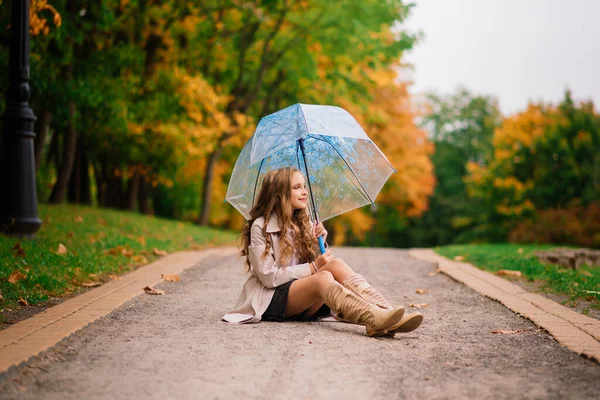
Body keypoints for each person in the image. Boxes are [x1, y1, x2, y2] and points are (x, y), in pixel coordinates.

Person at [222, 167, 423, 337]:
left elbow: (320, 262)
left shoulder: (302, 222)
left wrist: (319, 241)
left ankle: (385, 312)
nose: (304, 192)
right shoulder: (261, 226)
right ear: (279, 194)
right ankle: (372, 318)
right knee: (323, 276)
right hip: (272, 300)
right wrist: (314, 266)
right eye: (297, 187)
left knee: (334, 264)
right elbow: (269, 278)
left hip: (303, 296)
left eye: (304, 186)